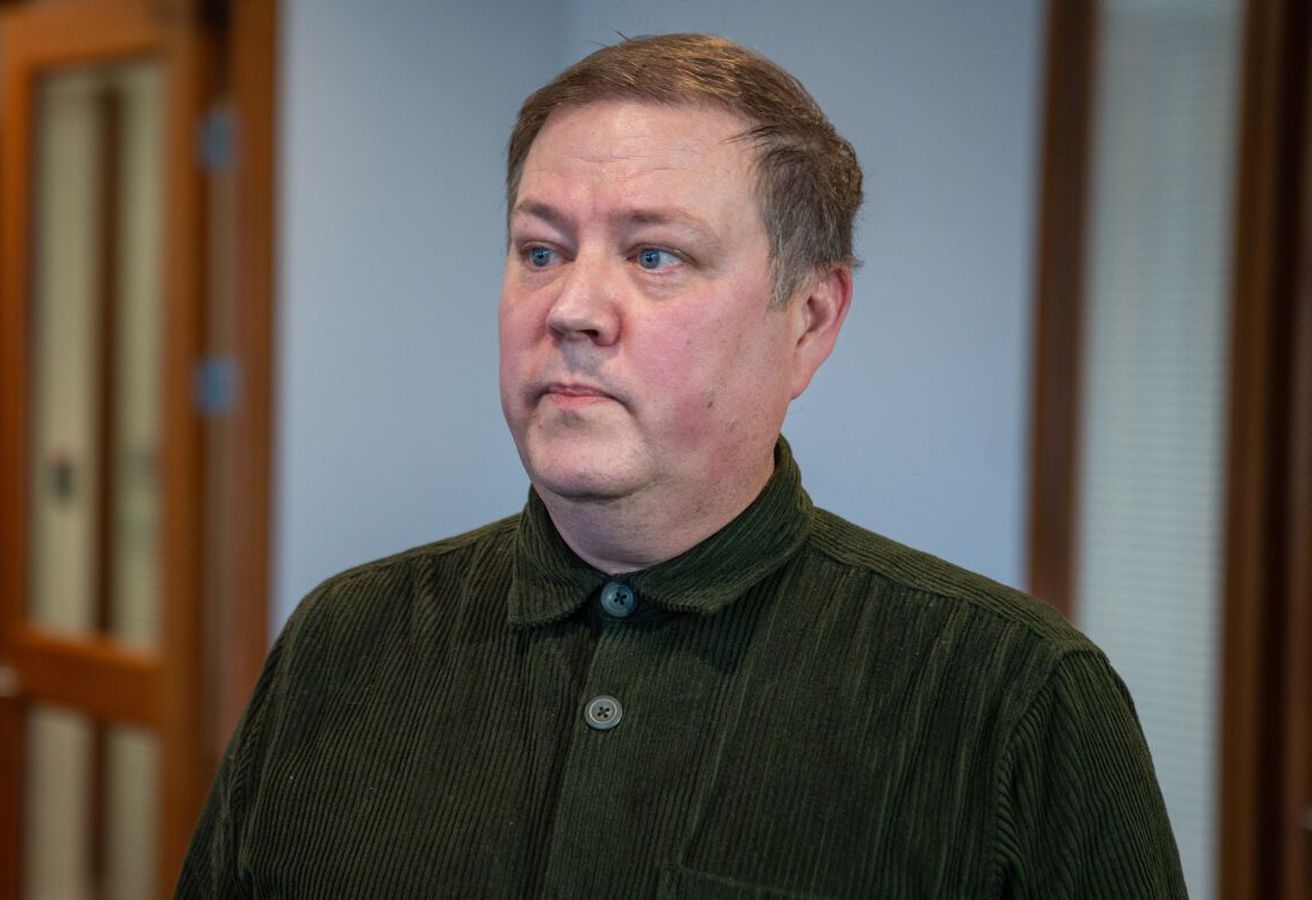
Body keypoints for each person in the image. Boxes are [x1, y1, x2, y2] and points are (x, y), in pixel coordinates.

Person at [176, 33, 1186, 899]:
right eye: (540, 251)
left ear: (810, 319)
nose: (572, 309)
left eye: (654, 255)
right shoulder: (341, 643)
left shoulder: (1016, 700)